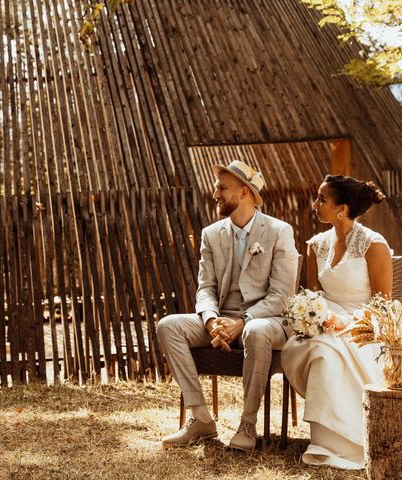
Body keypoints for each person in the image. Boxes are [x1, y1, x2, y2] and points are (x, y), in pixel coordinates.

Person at [157, 160, 299, 451]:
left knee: (256, 331)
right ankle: (201, 420)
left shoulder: (279, 231)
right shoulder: (211, 234)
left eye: (222, 188)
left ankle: (247, 425)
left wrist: (243, 322)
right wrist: (211, 321)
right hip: (221, 318)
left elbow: (282, 296)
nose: (215, 194)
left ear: (245, 192)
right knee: (168, 325)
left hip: (267, 320)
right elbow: (206, 288)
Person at [282, 175, 391, 470]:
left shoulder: (373, 245)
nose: (315, 205)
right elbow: (313, 296)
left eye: (322, 200)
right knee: (319, 348)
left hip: (365, 327)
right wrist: (311, 315)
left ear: (341, 209)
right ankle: (324, 442)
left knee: (324, 353)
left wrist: (348, 323)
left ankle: (349, 442)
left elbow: (383, 306)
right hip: (325, 324)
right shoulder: (316, 245)